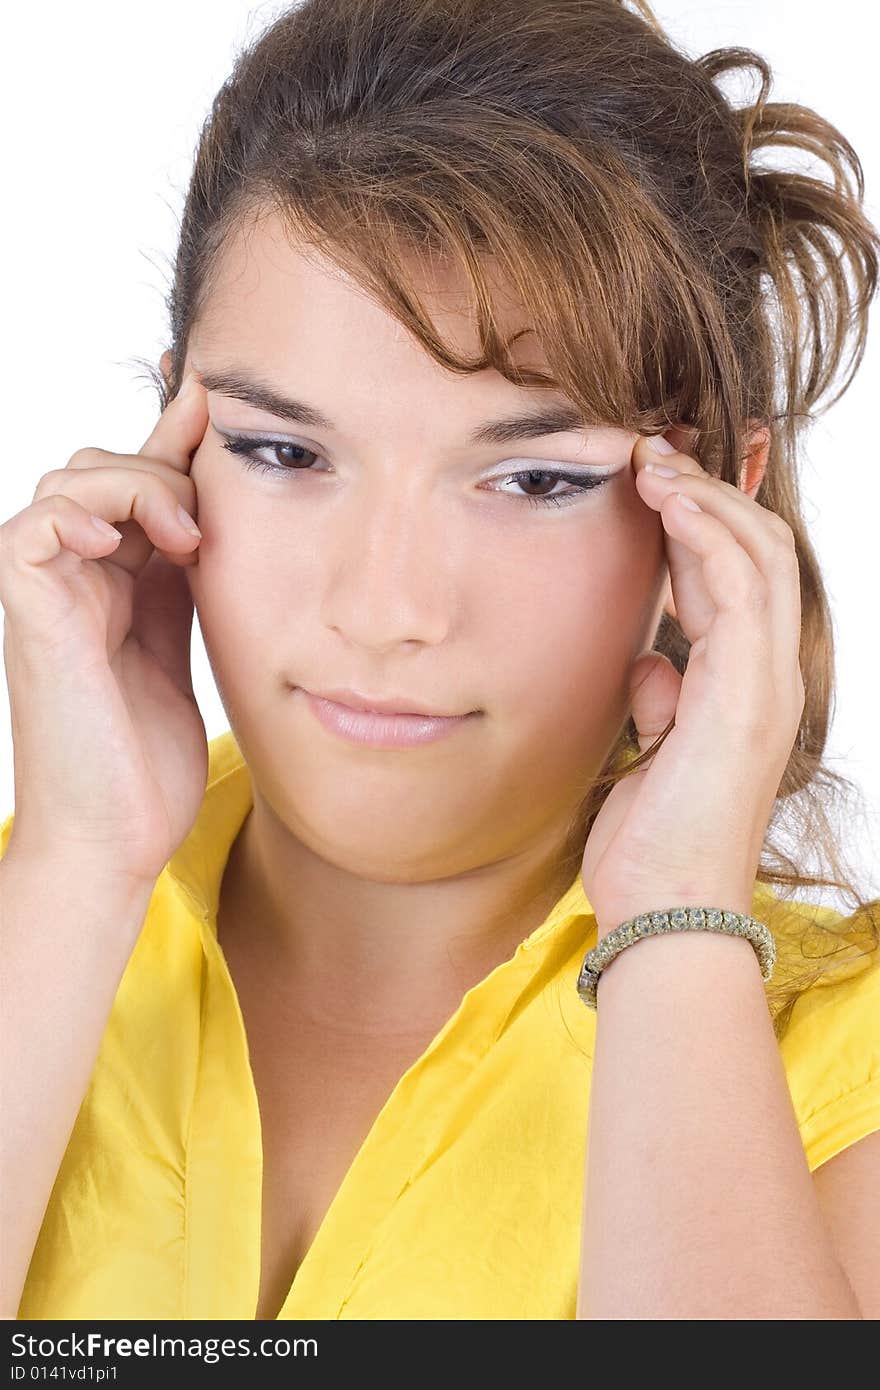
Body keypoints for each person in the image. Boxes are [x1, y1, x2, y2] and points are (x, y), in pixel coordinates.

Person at [2, 0, 879, 1322]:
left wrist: (676, 924)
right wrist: (74, 865)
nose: (388, 606)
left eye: (532, 477)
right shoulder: (34, 919)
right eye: (285, 453)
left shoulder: (841, 1062)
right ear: (171, 440)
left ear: (717, 505)